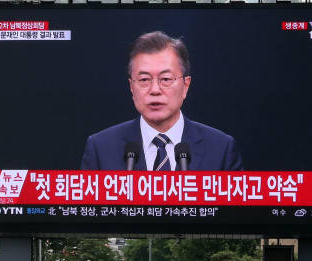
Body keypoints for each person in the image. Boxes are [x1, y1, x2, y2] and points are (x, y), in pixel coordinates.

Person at [81, 31, 243, 171]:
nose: (155, 90)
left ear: (186, 85)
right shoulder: (101, 148)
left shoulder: (221, 149)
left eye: (165, 79)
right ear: (131, 86)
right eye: (144, 79)